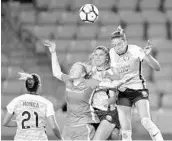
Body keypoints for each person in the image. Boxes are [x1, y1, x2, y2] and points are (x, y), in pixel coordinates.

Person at [44, 40, 131, 140]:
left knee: (113, 135)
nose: (97, 57)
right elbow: (62, 73)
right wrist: (53, 53)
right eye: (95, 54)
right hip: (93, 114)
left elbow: (118, 89)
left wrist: (113, 95)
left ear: (107, 58)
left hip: (107, 112)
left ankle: (120, 134)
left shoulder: (111, 72)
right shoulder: (90, 72)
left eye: (101, 55)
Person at [109, 26, 164, 141]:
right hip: (123, 91)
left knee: (146, 121)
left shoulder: (135, 50)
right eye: (114, 45)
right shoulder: (112, 53)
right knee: (125, 132)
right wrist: (119, 85)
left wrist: (147, 55)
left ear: (125, 41)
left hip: (138, 89)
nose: (117, 48)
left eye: (119, 44)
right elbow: (115, 75)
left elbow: (157, 67)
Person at [3, 72, 62, 141]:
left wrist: (23, 123)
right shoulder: (46, 103)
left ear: (26, 87)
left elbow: (5, 122)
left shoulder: (16, 101)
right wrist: (61, 138)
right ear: (39, 86)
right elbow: (54, 127)